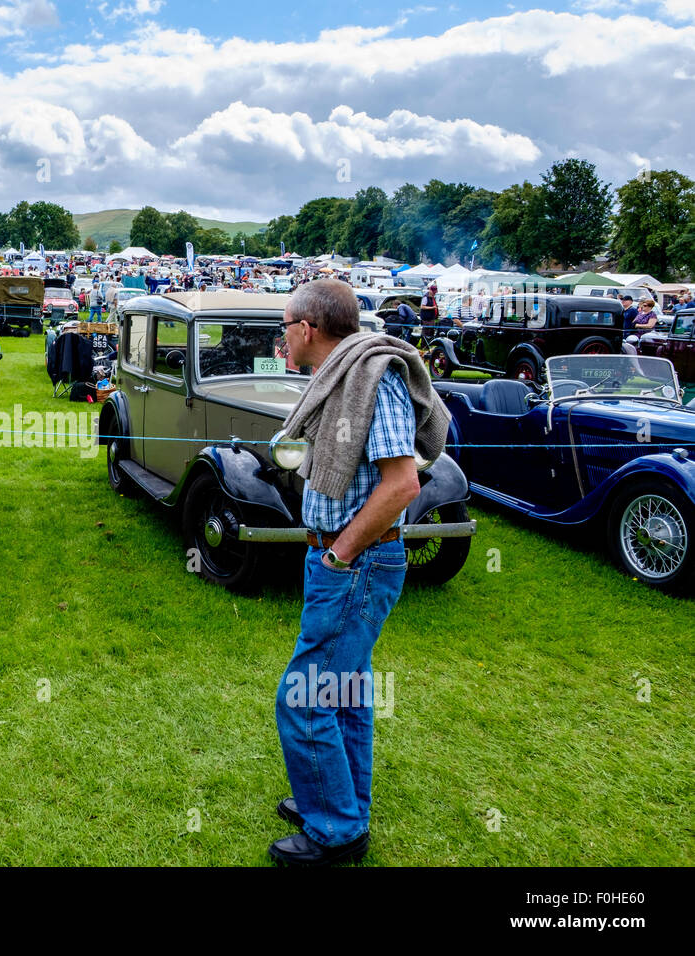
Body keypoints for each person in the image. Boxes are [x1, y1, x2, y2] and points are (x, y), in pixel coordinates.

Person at [269, 279, 449, 867]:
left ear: (308, 329)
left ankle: (338, 830)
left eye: (286, 324)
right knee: (343, 691)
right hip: (344, 560)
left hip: (357, 563)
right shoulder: (340, 378)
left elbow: (403, 483)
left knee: (304, 695)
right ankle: (335, 800)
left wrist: (339, 554)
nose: (284, 335)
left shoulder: (374, 379)